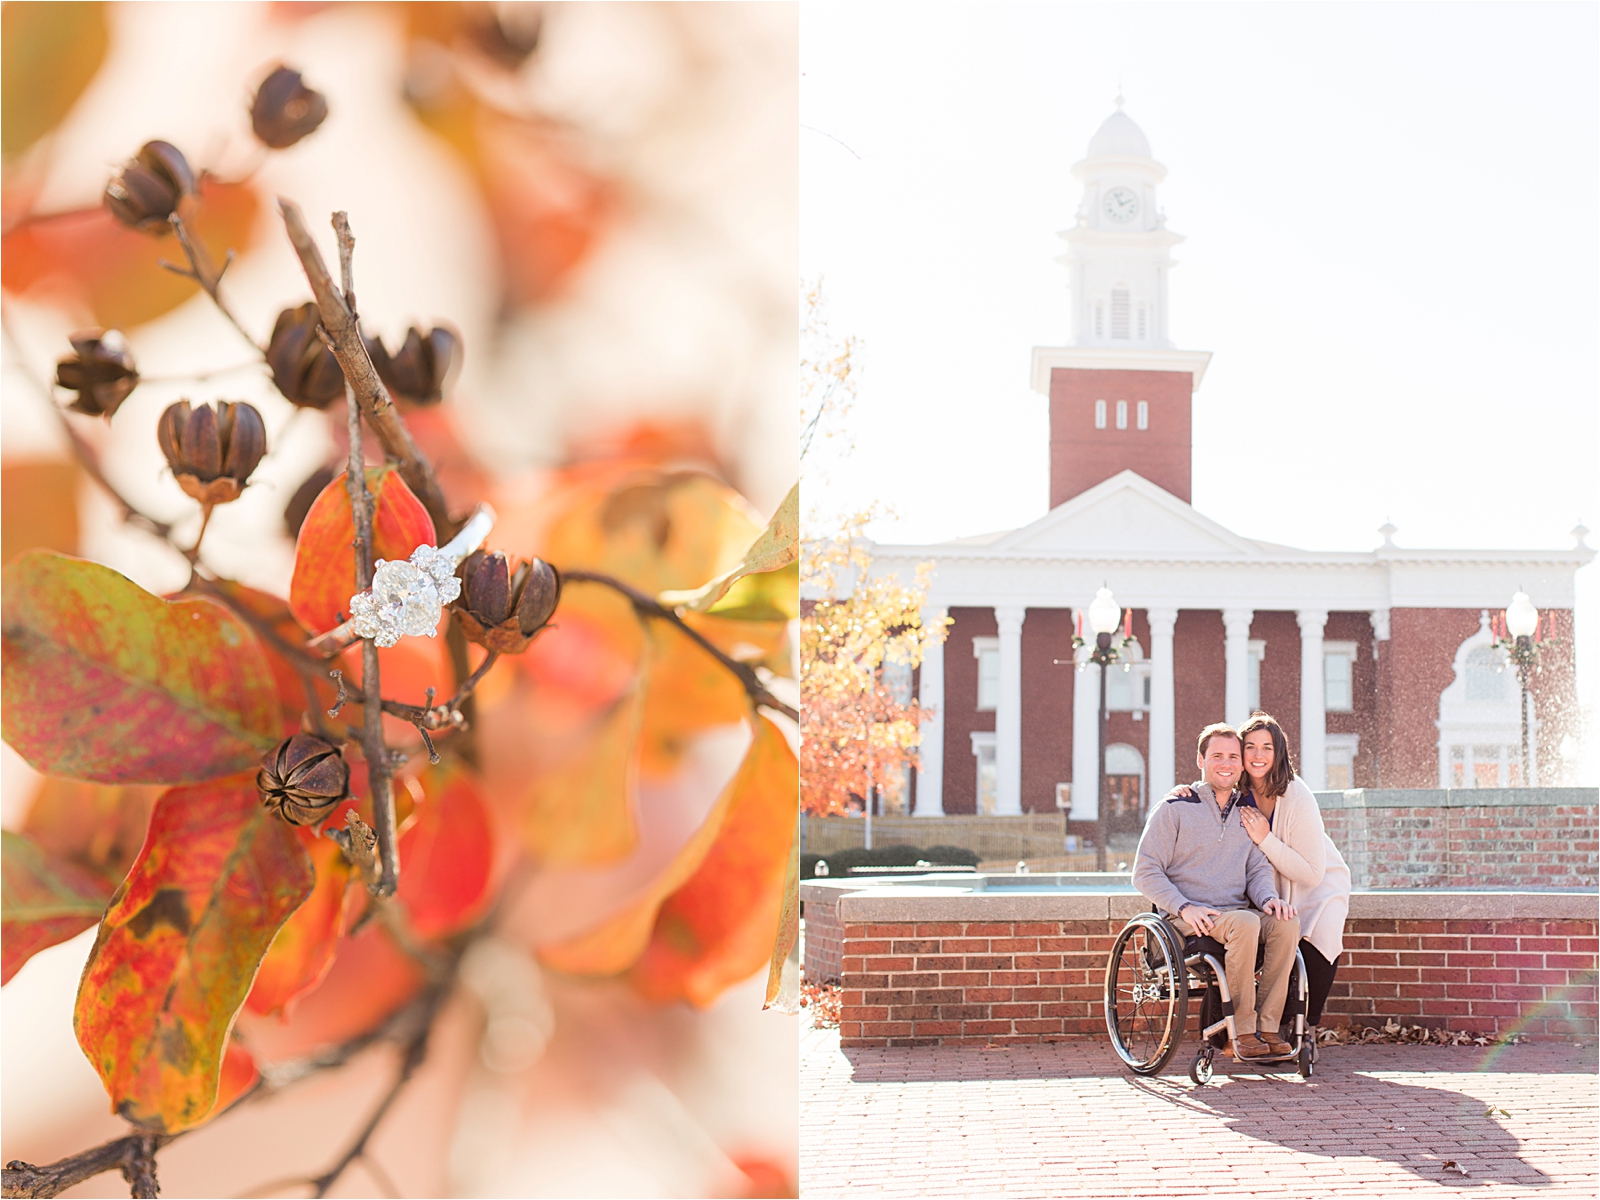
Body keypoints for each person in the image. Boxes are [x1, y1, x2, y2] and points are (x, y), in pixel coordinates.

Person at [1132, 723, 1300, 1060]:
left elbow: (1257, 868)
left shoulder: (1247, 813)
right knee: (1245, 923)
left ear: (1241, 765)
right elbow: (1144, 871)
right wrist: (1183, 907)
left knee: (1286, 923)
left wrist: (1268, 898)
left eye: (1233, 757)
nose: (1226, 763)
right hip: (1187, 919)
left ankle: (1269, 1028)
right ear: (1201, 760)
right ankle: (1242, 1030)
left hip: (1235, 917)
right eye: (1217, 756)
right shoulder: (1174, 808)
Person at [1236, 711, 1352, 1052]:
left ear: (1279, 753)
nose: (1258, 755)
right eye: (1250, 747)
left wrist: (1265, 837)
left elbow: (1313, 871)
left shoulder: (1297, 796)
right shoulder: (1236, 791)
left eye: (1267, 748)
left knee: (1320, 940)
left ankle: (1307, 1027)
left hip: (1318, 884)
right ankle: (1265, 1027)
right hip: (1270, 884)